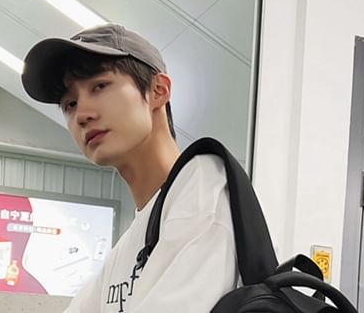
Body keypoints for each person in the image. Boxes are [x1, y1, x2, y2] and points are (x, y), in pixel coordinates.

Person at [21, 24, 238, 312]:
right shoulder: (127, 248)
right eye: (70, 104)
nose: (82, 115)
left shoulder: (203, 187)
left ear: (158, 91)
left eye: (100, 86)